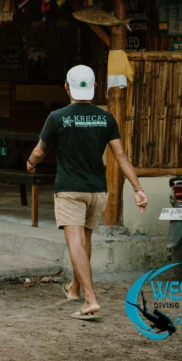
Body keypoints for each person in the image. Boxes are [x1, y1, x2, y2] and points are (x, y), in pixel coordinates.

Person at [26, 65, 148, 321]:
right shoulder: (107, 118)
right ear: (93, 88)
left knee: (74, 243)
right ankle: (74, 288)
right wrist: (138, 189)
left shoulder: (57, 117)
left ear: (67, 88)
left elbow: (39, 152)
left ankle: (91, 299)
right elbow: (121, 156)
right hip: (97, 192)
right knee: (85, 240)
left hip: (70, 190)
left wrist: (31, 163)